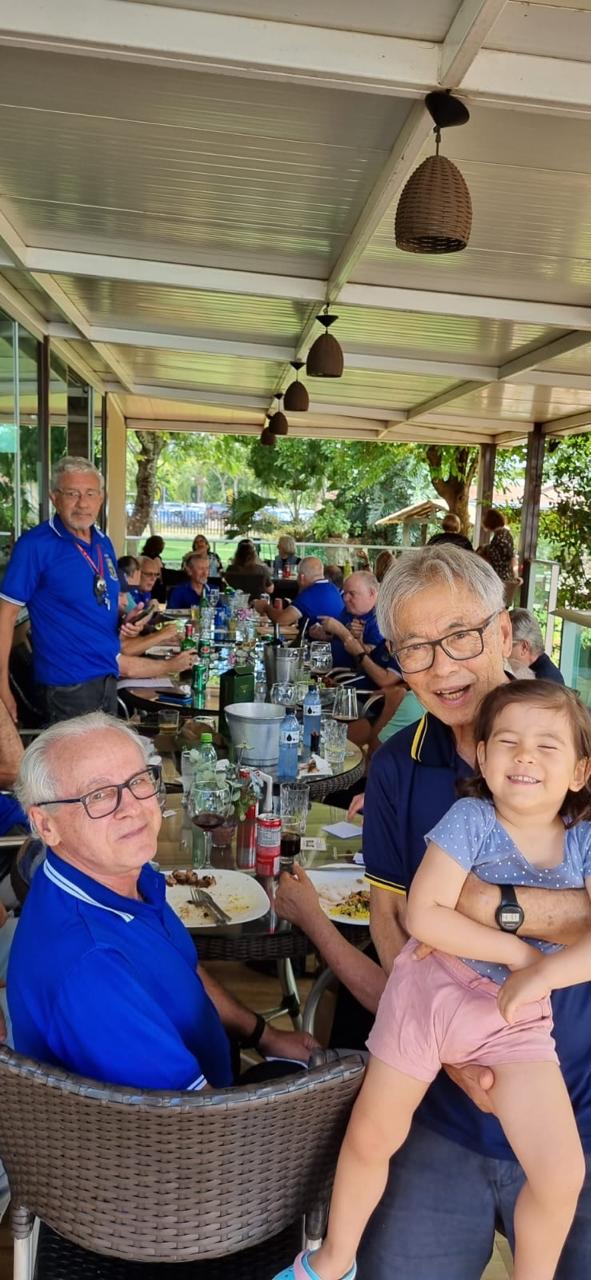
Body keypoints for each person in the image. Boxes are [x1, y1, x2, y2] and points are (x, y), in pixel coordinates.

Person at [276, 680, 591, 1280]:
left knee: (561, 1172)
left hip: (513, 1018)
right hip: (432, 993)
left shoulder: (584, 840)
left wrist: (543, 973)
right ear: (484, 758)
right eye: (508, 742)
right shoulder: (471, 817)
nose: (525, 756)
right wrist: (519, 955)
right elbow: (424, 915)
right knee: (373, 1135)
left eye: (547, 746)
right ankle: (331, 1260)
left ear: (580, 771)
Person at [354, 543, 591, 1278]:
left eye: (460, 635)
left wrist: (491, 905)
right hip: (445, 1099)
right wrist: (451, 1055)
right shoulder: (397, 765)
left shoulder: (569, 745)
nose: (442, 666)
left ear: (503, 632)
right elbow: (390, 920)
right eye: (415, 648)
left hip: (577, 1099)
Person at [7, 714, 316, 1090]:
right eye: (98, 795)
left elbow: (181, 970)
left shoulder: (124, 878)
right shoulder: (91, 965)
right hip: (192, 1117)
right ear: (46, 825)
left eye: (138, 780)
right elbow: (191, 1119)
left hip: (208, 1073)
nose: (132, 807)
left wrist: (262, 1034)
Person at [0, 457, 124, 724]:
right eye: (72, 494)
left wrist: (126, 621)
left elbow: (101, 603)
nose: (83, 503)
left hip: (109, 675)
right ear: (54, 497)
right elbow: (5, 616)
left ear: (101, 498)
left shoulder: (103, 542)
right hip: (67, 687)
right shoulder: (34, 545)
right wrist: (1, 689)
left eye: (90, 493)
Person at [316, 572, 401, 692]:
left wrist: (344, 633)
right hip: (341, 680)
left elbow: (383, 679)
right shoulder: (350, 611)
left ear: (372, 593)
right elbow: (364, 663)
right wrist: (327, 635)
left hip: (357, 690)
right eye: (344, 593)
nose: (345, 598)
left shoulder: (383, 622)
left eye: (352, 593)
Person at [256, 557, 343, 629]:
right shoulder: (334, 589)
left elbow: (281, 620)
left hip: (316, 643)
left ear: (301, 577)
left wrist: (265, 607)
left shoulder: (309, 594)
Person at [511, 609, 564, 684]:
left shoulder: (543, 682)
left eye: (507, 644)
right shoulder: (537, 671)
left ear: (524, 647)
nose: (502, 651)